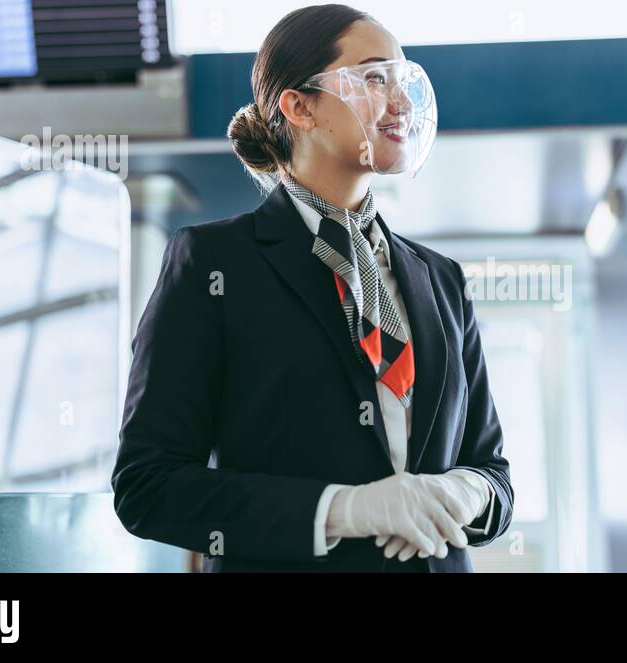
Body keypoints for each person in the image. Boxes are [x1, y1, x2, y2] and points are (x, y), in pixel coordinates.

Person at [112, 4, 513, 572]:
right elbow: (147, 487)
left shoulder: (439, 278)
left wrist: (470, 494)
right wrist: (346, 510)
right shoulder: (213, 263)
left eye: (403, 80)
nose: (400, 102)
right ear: (298, 106)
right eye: (375, 78)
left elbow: (492, 470)